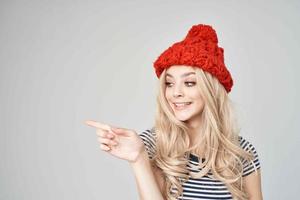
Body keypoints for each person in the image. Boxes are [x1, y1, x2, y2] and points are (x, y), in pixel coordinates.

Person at [85, 24, 263, 200]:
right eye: (169, 83)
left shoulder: (242, 152)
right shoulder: (153, 144)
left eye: (189, 83)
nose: (175, 92)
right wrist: (138, 159)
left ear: (212, 89)